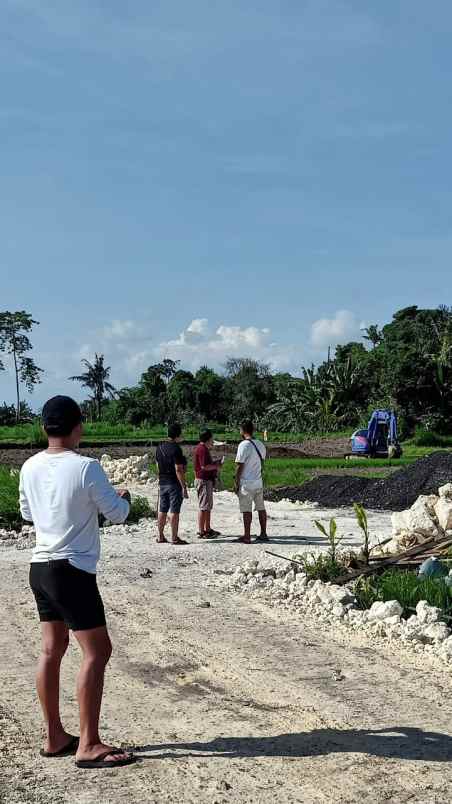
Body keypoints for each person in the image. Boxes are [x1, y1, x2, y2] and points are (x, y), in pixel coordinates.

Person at [20, 395, 135, 770]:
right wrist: (125, 498)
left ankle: (54, 736)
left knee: (52, 650)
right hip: (72, 570)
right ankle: (88, 743)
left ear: (44, 427)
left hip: (40, 567)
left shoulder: (29, 467)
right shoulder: (87, 467)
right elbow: (117, 515)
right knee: (97, 651)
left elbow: (27, 512)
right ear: (78, 426)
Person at [234, 419, 268, 544]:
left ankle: (247, 536)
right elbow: (262, 462)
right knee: (261, 508)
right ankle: (263, 533)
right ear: (252, 430)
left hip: (246, 483)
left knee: (246, 510)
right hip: (258, 481)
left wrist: (236, 482)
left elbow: (239, 466)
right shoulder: (260, 444)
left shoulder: (243, 445)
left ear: (242, 431)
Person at [155, 423, 188, 545]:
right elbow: (178, 469)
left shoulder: (160, 448)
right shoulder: (176, 449)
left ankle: (160, 536)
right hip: (174, 483)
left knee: (162, 510)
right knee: (174, 510)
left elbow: (158, 466)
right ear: (178, 435)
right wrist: (184, 486)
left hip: (162, 482)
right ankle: (174, 537)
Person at [194, 429, 223, 539]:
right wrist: (216, 466)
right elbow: (204, 466)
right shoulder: (202, 449)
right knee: (203, 506)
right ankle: (202, 531)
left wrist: (215, 463)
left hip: (206, 480)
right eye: (211, 438)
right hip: (203, 480)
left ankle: (208, 528)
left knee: (207, 506)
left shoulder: (203, 448)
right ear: (208, 438)